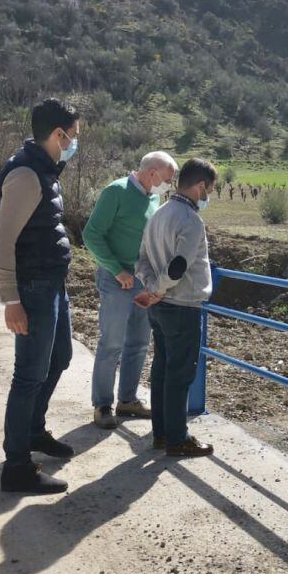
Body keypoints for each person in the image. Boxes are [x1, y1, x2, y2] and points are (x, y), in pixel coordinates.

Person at [0, 98, 81, 494]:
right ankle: (17, 467)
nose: (75, 143)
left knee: (60, 358)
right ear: (57, 134)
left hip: (51, 284)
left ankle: (33, 431)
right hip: (33, 288)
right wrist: (11, 299)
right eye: (73, 136)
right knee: (28, 376)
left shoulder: (45, 170)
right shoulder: (26, 176)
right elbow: (1, 241)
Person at [82, 151, 177, 430]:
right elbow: (91, 234)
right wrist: (116, 269)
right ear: (152, 173)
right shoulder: (116, 192)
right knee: (111, 343)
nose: (168, 186)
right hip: (116, 279)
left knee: (138, 342)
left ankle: (127, 399)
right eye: (167, 179)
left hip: (141, 280)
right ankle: (102, 404)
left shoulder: (152, 198)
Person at [134, 158, 217, 458]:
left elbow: (141, 259)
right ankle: (177, 438)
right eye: (209, 190)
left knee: (162, 369)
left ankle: (161, 433)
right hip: (182, 306)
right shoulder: (190, 220)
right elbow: (179, 266)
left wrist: (151, 288)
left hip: (160, 307)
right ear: (200, 186)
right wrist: (158, 289)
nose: (209, 196)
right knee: (180, 374)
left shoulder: (158, 213)